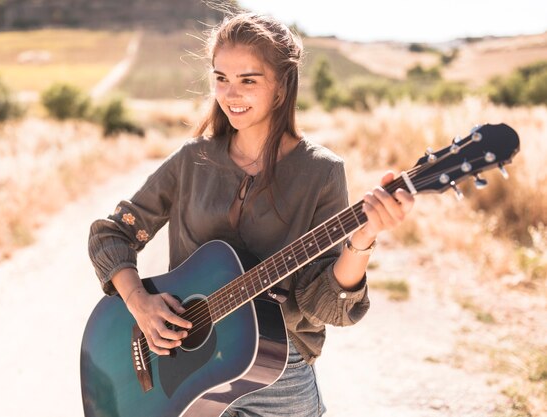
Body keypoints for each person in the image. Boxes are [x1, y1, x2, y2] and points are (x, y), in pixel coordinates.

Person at [88, 11, 414, 417]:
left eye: (248, 80)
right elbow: (111, 234)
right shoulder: (193, 160)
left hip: (278, 371)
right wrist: (140, 303)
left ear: (281, 85)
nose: (230, 94)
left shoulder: (321, 171)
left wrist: (362, 239)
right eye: (221, 77)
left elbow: (326, 305)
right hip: (185, 371)